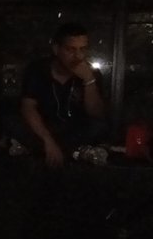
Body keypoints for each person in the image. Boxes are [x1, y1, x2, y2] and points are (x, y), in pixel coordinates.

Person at [19, 22, 108, 166]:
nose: (78, 56)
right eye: (71, 49)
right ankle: (72, 152)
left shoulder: (91, 73)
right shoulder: (38, 70)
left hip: (75, 131)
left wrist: (89, 81)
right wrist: (48, 140)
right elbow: (28, 107)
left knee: (99, 128)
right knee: (16, 123)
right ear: (56, 49)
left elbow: (96, 113)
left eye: (82, 49)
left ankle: (67, 151)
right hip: (44, 128)